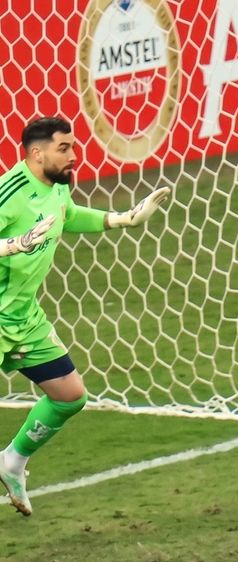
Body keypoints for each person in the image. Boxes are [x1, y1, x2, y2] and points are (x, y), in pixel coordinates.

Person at [0, 116, 170, 516]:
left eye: (73, 147)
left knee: (69, 395)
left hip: (22, 317)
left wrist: (122, 219)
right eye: (64, 148)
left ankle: (12, 462)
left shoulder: (57, 185)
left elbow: (69, 214)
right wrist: (14, 244)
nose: (74, 156)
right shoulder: (10, 192)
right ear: (36, 153)